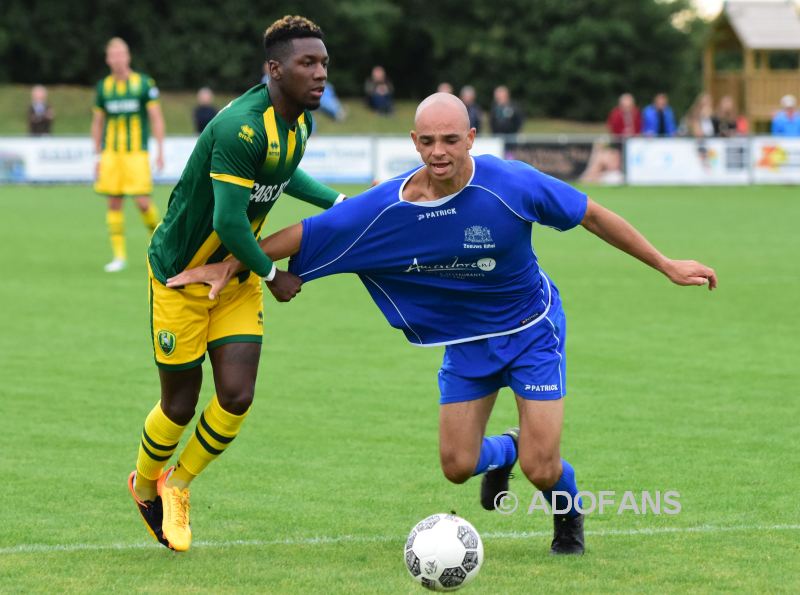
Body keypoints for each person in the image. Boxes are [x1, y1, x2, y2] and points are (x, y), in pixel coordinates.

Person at [167, 93, 717, 556]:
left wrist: (666, 264)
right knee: (457, 467)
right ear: (413, 142)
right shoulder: (389, 207)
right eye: (427, 141)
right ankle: (506, 449)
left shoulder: (510, 184)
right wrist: (232, 262)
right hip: (466, 345)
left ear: (472, 137)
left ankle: (565, 507)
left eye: (450, 140)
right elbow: (311, 232)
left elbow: (592, 214)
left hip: (532, 330)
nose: (439, 152)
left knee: (543, 469)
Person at [127, 15, 346, 553]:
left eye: (323, 63)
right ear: (274, 69)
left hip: (238, 274)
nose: (320, 74)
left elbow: (281, 171)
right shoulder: (239, 127)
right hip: (181, 277)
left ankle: (177, 485)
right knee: (179, 404)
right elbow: (227, 222)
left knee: (237, 395)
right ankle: (143, 482)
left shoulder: (298, 122)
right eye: (307, 63)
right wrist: (273, 274)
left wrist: (339, 205)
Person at [91, 37, 165, 273]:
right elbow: (97, 123)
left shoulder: (143, 84)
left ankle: (162, 246)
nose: (117, 59)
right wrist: (97, 157)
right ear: (107, 59)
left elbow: (155, 117)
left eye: (121, 54)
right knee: (114, 202)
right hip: (112, 154)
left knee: (143, 203)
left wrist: (160, 150)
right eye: (113, 55)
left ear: (128, 56)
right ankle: (119, 256)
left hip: (136, 154)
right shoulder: (104, 87)